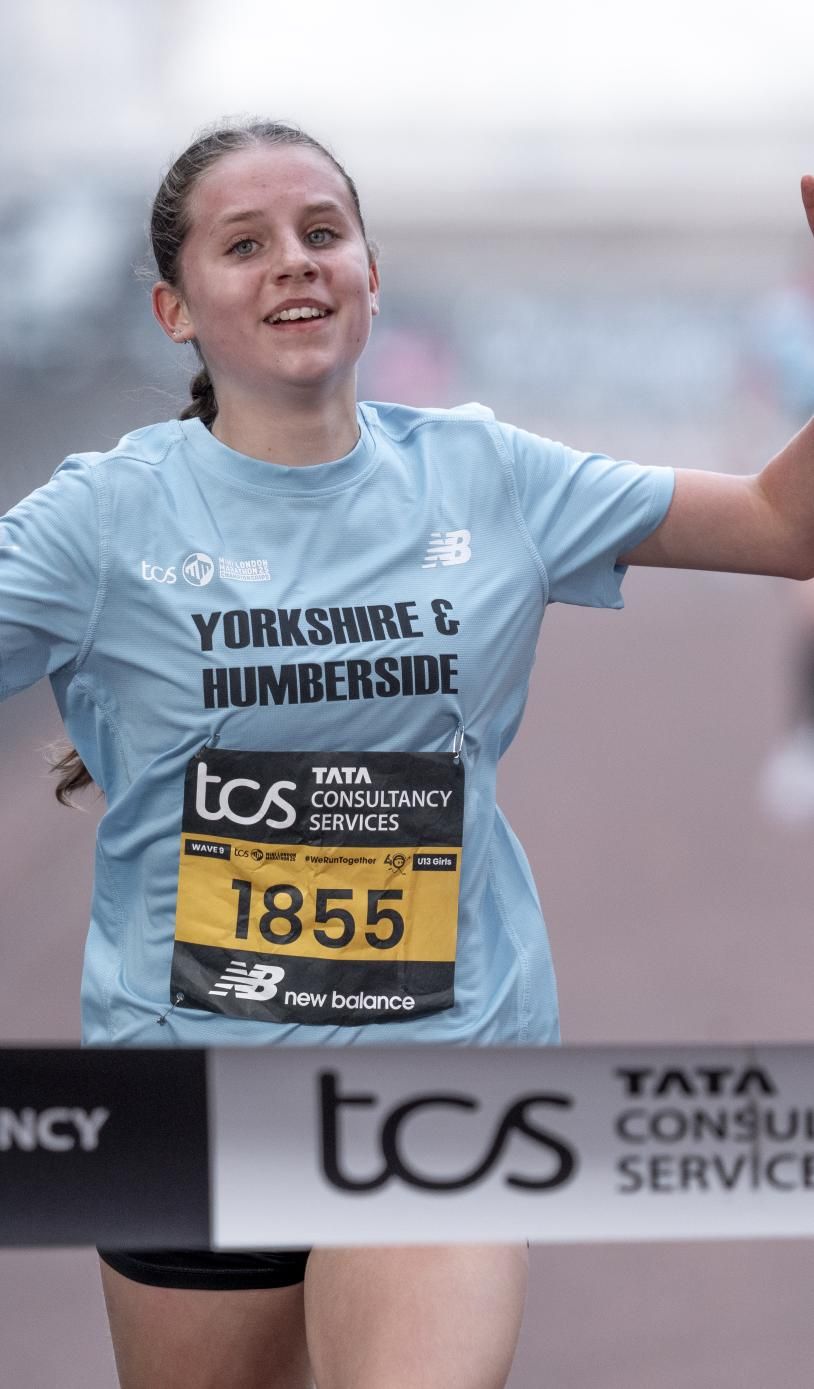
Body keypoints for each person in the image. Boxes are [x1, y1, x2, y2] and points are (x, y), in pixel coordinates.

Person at [1, 117, 813, 1389]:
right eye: (244, 244)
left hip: (439, 1088)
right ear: (174, 309)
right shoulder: (96, 523)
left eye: (323, 233)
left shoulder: (488, 475)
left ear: (371, 277)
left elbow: (781, 523)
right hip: (192, 1100)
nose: (294, 260)